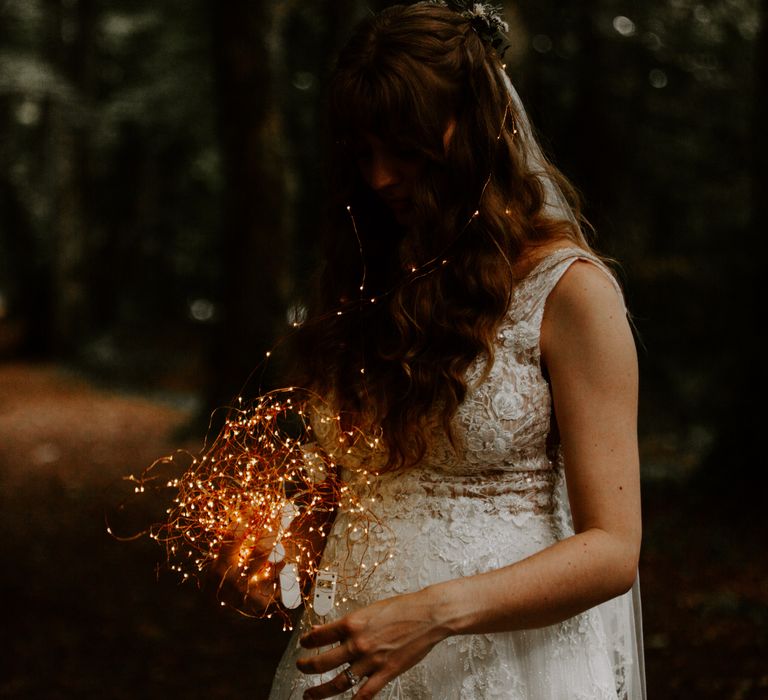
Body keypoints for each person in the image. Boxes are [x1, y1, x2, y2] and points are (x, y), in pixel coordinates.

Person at [264, 2, 645, 698]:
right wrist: (284, 543)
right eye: (363, 151)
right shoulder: (366, 278)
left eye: (403, 147)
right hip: (351, 655)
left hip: (504, 665)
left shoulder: (569, 293)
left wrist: (432, 614)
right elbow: (366, 483)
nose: (380, 177)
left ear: (473, 129)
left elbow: (614, 551)